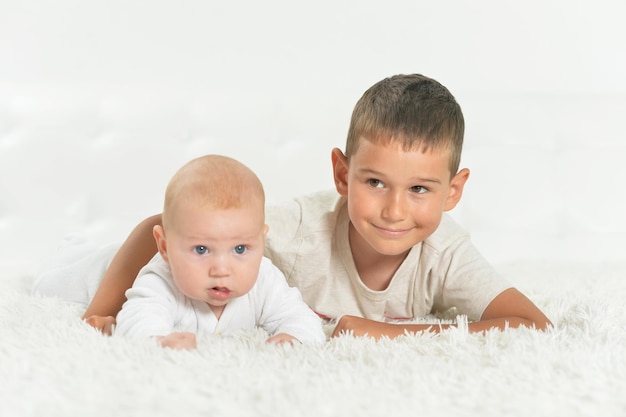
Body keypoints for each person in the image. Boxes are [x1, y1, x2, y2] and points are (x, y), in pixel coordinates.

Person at [35, 73, 552, 339]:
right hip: (157, 269)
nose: (395, 210)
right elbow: (160, 226)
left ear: (452, 191)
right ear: (343, 175)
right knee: (58, 279)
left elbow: (533, 326)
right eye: (375, 182)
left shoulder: (446, 252)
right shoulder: (302, 229)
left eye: (419, 189)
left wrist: (391, 336)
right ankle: (72, 257)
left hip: (215, 287)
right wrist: (102, 311)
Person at [34, 155, 325, 349]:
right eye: (201, 249)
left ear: (261, 241)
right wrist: (158, 341)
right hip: (99, 272)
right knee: (49, 284)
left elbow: (302, 319)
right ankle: (71, 249)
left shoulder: (263, 278)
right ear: (165, 248)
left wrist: (294, 338)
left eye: (240, 249)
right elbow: (136, 321)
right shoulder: (160, 280)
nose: (221, 268)